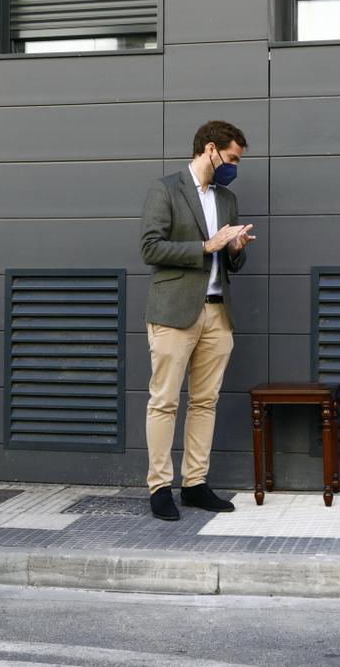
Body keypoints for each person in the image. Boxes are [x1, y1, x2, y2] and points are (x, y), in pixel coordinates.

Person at [139, 120, 255, 521]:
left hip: (217, 312)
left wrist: (236, 248)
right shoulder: (166, 189)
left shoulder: (227, 199)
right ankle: (159, 488)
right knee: (165, 401)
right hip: (174, 313)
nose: (234, 166)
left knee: (205, 402)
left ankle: (194, 484)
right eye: (231, 158)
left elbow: (231, 261)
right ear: (210, 149)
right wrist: (207, 246)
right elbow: (150, 248)